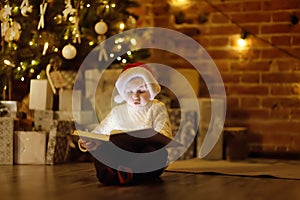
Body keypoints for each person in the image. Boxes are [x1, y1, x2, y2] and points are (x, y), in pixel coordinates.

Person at [78, 62, 172, 185]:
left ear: (150, 90)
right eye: (129, 92)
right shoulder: (118, 112)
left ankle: (130, 173)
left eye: (141, 91)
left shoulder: (156, 107)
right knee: (103, 149)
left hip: (144, 153)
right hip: (123, 155)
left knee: (153, 152)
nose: (135, 96)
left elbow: (164, 133)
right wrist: (88, 141)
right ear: (122, 93)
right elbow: (100, 132)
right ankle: (109, 173)